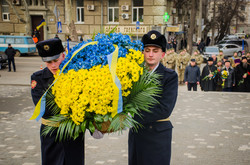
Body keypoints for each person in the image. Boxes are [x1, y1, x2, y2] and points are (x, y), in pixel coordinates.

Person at [31, 39, 85, 165]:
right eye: (48, 62)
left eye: (56, 60)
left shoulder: (76, 74)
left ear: (63, 55)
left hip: (73, 133)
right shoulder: (38, 78)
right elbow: (44, 109)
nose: (53, 65)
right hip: (51, 134)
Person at [129, 30, 178, 165]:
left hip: (157, 136)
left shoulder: (170, 76)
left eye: (155, 50)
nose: (150, 54)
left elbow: (164, 109)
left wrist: (130, 116)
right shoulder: (134, 74)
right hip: (137, 136)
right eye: (147, 50)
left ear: (162, 54)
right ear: (142, 52)